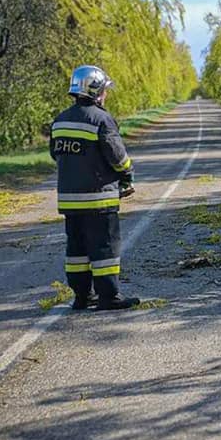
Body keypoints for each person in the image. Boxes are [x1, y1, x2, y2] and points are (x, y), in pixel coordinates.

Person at [50, 65, 140, 311]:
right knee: (104, 250)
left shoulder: (59, 121)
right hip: (98, 200)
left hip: (70, 202)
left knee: (76, 251)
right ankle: (108, 297)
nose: (106, 94)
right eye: (105, 90)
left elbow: (55, 155)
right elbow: (117, 156)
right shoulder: (102, 119)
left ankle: (81, 297)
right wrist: (127, 175)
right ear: (97, 91)